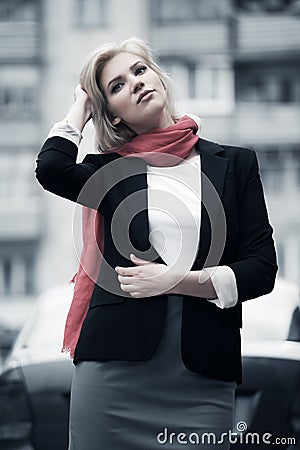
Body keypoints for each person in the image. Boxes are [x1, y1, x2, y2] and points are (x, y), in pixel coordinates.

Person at [35, 37, 277, 449]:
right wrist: (81, 104)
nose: (134, 83)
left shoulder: (234, 164)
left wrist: (175, 280)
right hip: (113, 375)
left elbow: (261, 269)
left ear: (159, 78)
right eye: (116, 87)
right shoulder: (110, 173)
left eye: (140, 70)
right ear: (111, 114)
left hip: (202, 376)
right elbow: (53, 167)